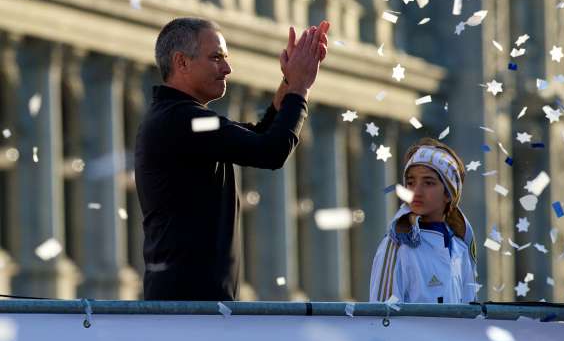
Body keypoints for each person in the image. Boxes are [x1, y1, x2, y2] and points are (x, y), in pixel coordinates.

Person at [135, 17, 329, 300]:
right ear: (182, 62)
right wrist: (299, 88)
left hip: (190, 304)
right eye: (216, 58)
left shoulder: (178, 118)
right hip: (187, 309)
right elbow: (270, 150)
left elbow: (258, 136)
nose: (227, 69)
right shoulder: (182, 120)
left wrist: (290, 83)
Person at [369, 138, 478, 304]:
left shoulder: (461, 248)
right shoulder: (397, 244)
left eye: (428, 183)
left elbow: (471, 317)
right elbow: (381, 318)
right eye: (411, 182)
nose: (416, 191)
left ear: (449, 194)